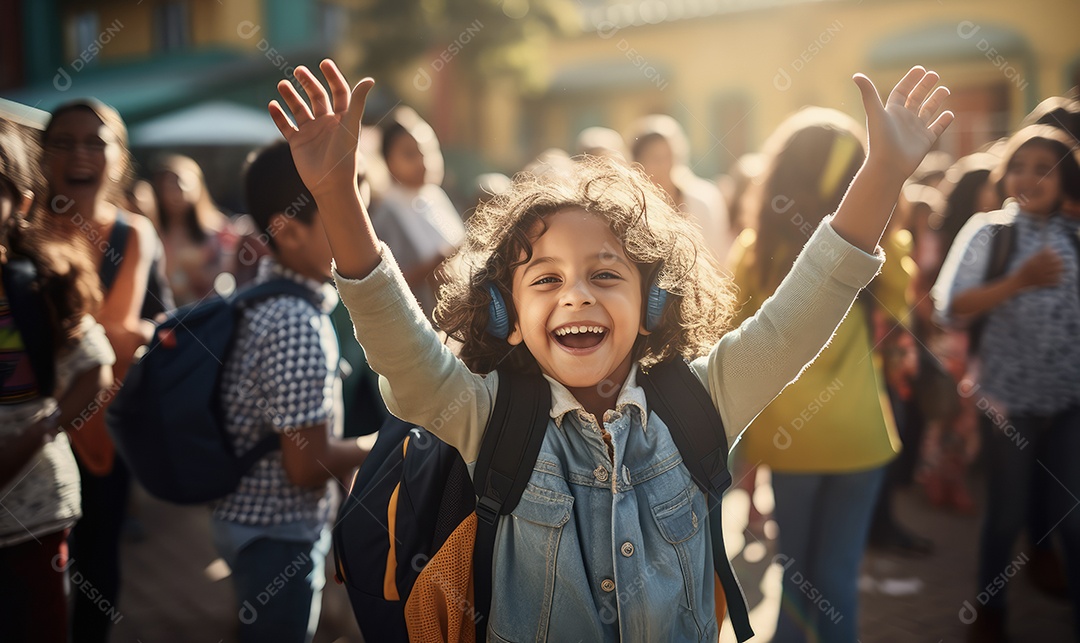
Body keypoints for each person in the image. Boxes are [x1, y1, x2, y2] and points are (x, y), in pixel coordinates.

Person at [269, 59, 951, 641]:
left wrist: (884, 171)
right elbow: (399, 346)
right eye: (546, 279)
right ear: (507, 313)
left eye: (605, 273)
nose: (577, 296)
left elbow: (807, 306)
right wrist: (336, 196)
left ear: (654, 303)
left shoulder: (702, 400)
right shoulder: (483, 414)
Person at [727, 107, 918, 642]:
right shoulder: (884, 249)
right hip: (862, 434)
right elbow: (902, 307)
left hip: (790, 437)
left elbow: (735, 335)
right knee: (837, 577)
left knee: (796, 576)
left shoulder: (757, 253)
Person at [210, 140, 368, 643]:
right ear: (287, 229)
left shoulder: (267, 299)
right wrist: (383, 445)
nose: (361, 230)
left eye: (360, 207)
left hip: (246, 522)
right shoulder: (297, 322)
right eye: (341, 214)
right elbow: (305, 466)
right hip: (278, 535)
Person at [933, 125, 1080, 643]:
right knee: (1006, 514)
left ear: (1067, 180)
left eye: (1045, 167)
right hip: (1007, 403)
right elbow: (951, 305)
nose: (1028, 177)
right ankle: (989, 613)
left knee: (1072, 517)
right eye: (1019, 166)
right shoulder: (988, 231)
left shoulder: (1074, 235)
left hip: (1069, 402)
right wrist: (1019, 280)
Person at [40, 98, 165, 643]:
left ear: (118, 158)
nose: (80, 154)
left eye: (95, 141)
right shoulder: (20, 227)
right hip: (28, 432)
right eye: (63, 142)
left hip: (102, 429)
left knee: (96, 561)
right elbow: (113, 334)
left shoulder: (132, 235)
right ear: (43, 157)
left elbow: (119, 331)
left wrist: (135, 334)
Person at [0, 119, 115, 643]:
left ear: (20, 205)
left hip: (36, 516)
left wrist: (39, 432)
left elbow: (97, 367)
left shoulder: (36, 286)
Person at [369, 106, 465, 319]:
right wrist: (436, 261)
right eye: (409, 154)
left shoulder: (434, 196)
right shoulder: (388, 213)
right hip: (420, 327)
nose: (424, 161)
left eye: (428, 151)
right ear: (388, 161)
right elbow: (384, 286)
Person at [629, 114, 733, 265]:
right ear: (638, 162)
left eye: (669, 157)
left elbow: (719, 258)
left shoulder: (703, 200)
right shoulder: (632, 208)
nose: (665, 165)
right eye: (656, 158)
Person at [151, 154, 237, 305]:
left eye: (181, 183)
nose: (176, 193)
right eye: (169, 186)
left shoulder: (219, 230)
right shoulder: (152, 232)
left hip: (209, 311)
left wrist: (205, 275)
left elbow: (228, 276)